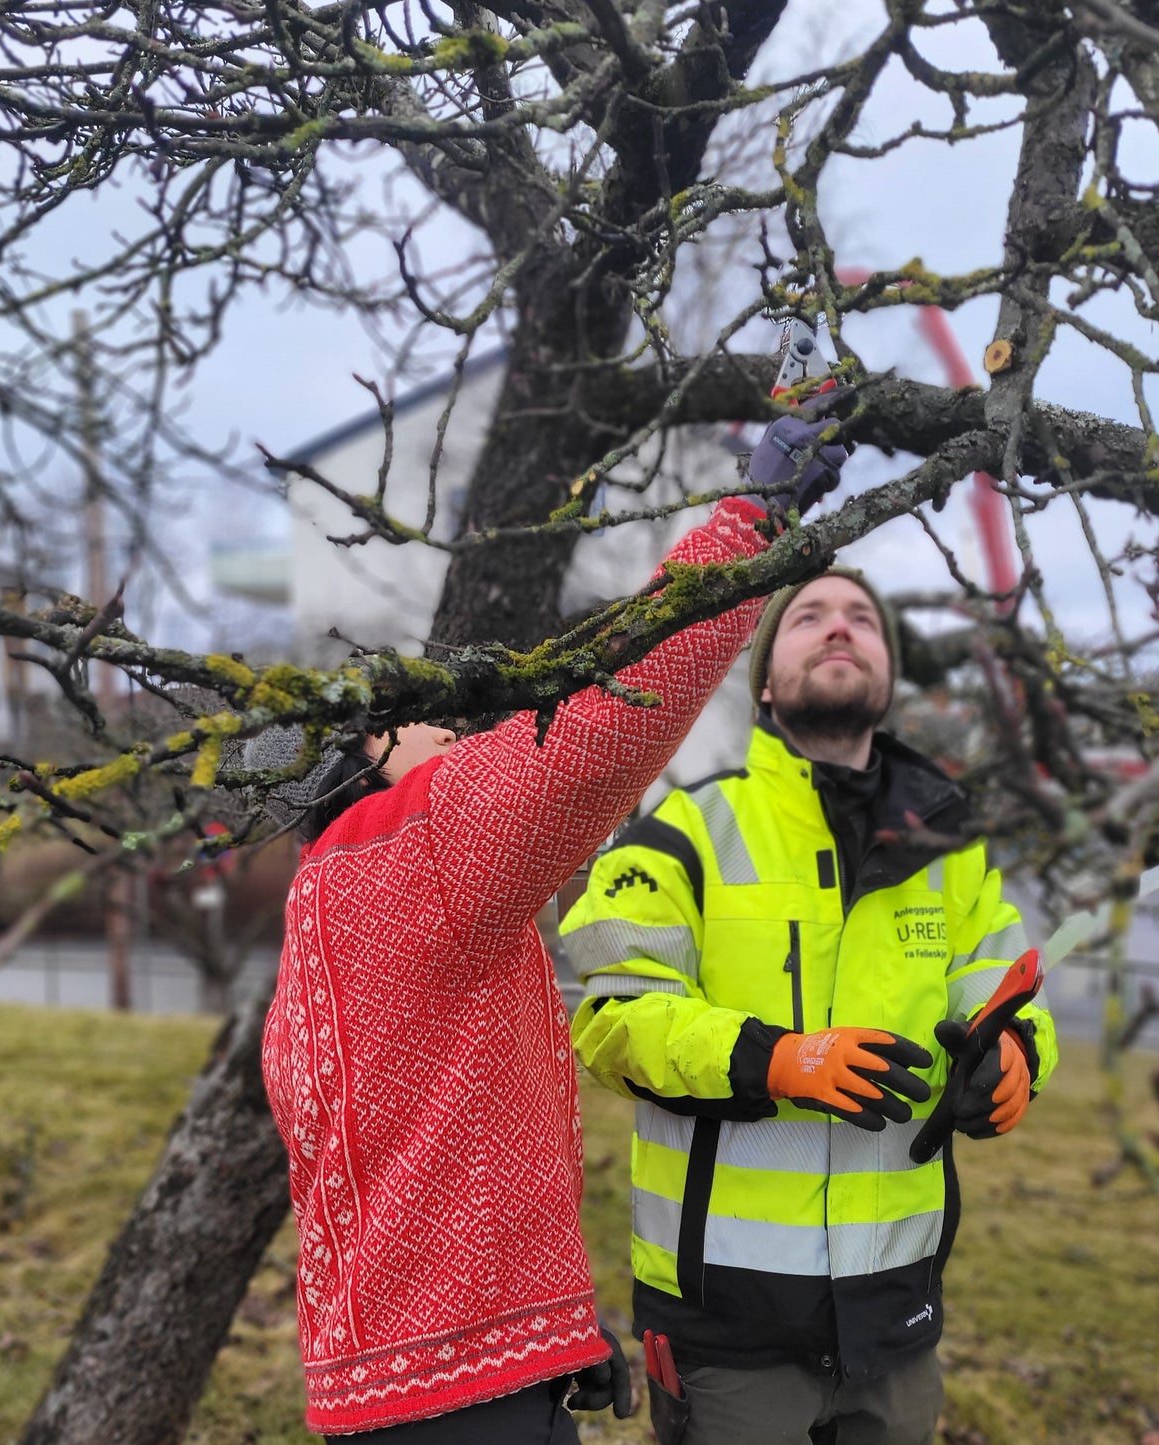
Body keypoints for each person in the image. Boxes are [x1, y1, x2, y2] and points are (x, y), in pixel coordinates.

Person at [254, 405, 852, 1443]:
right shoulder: (417, 841)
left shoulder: (322, 896)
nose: (452, 721)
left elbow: (424, 1151)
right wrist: (751, 517)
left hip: (388, 1383)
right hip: (457, 1407)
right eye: (421, 709)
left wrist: (550, 1333)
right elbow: (612, 716)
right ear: (363, 748)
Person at [560, 568, 1058, 1445]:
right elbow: (613, 1018)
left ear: (887, 672)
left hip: (896, 1311)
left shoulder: (950, 846)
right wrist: (776, 1059)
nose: (839, 629)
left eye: (863, 618)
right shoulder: (680, 830)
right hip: (727, 1321)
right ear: (762, 677)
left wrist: (1015, 1055)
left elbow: (1001, 980)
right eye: (809, 617)